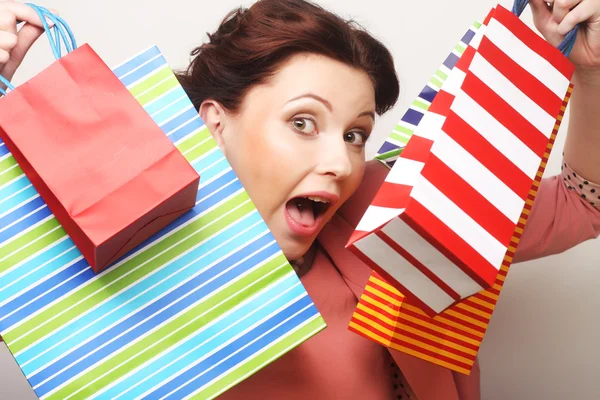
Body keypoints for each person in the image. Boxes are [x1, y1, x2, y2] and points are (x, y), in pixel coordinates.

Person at [1, 0, 599, 398]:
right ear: (216, 122)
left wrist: (589, 71)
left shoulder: (383, 205)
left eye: (356, 133)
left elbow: (583, 204)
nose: (340, 163)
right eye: (304, 123)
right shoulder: (106, 247)